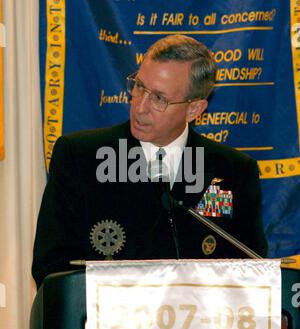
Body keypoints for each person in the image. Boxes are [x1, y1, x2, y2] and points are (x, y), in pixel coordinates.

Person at [32, 35, 268, 289]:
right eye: (139, 87)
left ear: (194, 109)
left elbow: (251, 273)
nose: (140, 106)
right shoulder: (80, 157)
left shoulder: (233, 171)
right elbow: (51, 267)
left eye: (159, 98)